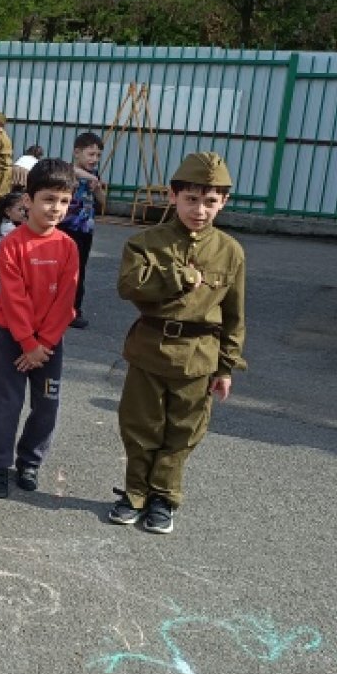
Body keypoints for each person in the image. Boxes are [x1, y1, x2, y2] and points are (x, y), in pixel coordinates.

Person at [110, 152, 246, 535]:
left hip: (199, 358)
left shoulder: (230, 251)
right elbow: (128, 287)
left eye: (210, 202)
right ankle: (135, 493)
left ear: (223, 202)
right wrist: (175, 278)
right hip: (150, 350)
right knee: (139, 425)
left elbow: (234, 315)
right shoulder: (144, 244)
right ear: (172, 196)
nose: (199, 210)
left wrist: (226, 366)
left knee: (183, 432)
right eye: (191, 199)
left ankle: (163, 498)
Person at [0, 158, 79, 499]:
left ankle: (30, 462)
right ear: (28, 201)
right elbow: (14, 297)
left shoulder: (68, 247)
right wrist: (26, 342)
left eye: (64, 201)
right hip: (13, 338)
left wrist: (44, 344)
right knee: (5, 402)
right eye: (49, 199)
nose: (56, 208)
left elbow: (66, 301)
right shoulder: (12, 244)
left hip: (49, 345)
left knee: (47, 404)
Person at [59, 132, 107, 329]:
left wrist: (97, 188)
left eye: (98, 156)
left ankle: (74, 310)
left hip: (85, 231)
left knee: (79, 272)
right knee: (61, 270)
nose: (94, 159)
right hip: (66, 228)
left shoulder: (94, 176)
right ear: (76, 153)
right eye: (91, 154)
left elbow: (103, 202)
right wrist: (88, 176)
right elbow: (72, 172)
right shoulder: (67, 172)